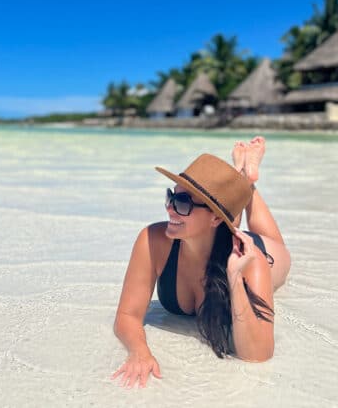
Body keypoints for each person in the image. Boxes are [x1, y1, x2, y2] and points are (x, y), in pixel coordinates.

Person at [111, 137, 291, 389]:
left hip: (258, 253)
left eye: (182, 203)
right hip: (217, 231)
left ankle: (247, 183)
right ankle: (240, 181)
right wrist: (139, 352)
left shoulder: (251, 262)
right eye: (171, 197)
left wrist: (236, 280)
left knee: (273, 240)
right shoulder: (152, 240)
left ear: (216, 218)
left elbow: (257, 356)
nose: (171, 209)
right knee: (218, 213)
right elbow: (127, 315)